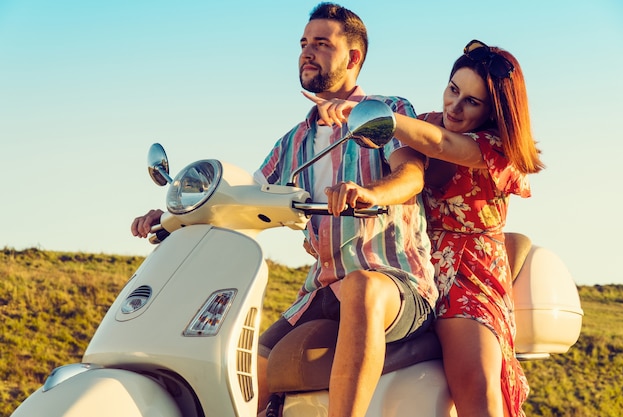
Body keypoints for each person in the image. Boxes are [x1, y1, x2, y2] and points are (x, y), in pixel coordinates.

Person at [131, 4, 437, 417]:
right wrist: (172, 217)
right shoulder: (292, 143)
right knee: (243, 368)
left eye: (322, 44)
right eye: (303, 44)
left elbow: (411, 177)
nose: (307, 52)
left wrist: (370, 193)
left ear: (353, 58)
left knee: (365, 286)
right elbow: (240, 198)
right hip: (323, 288)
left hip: (396, 283)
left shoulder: (386, 112)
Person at [305, 39, 544, 417]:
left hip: (469, 273)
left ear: (494, 110)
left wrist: (379, 116)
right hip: (411, 260)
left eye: (472, 102)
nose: (455, 106)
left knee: (477, 388)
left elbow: (442, 144)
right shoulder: (427, 121)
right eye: (453, 90)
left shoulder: (494, 147)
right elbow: (391, 168)